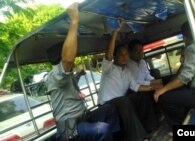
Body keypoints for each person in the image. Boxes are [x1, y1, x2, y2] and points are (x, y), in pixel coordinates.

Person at [45, 3, 119, 141]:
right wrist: (74, 21)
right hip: (70, 131)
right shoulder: (55, 76)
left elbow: (69, 84)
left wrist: (78, 74)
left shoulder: (66, 76)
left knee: (110, 109)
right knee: (102, 129)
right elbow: (67, 59)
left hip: (83, 119)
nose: (74, 57)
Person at [98, 19, 156, 141]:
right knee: (124, 100)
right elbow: (108, 56)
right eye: (121, 54)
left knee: (142, 95)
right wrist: (115, 32)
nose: (124, 57)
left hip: (121, 103)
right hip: (107, 105)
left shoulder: (127, 71)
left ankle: (150, 127)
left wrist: (154, 87)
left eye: (126, 54)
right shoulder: (109, 68)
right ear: (115, 56)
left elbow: (136, 87)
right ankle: (139, 138)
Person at [154, 21, 195, 127]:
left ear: (186, 35)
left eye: (183, 36)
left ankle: (178, 125)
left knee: (164, 97)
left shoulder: (192, 47)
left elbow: (185, 77)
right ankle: (185, 115)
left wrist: (163, 90)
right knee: (176, 91)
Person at [126, 39, 163, 133]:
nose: (140, 53)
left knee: (161, 86)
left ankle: (160, 115)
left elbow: (147, 75)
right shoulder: (127, 64)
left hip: (143, 86)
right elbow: (134, 83)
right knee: (144, 96)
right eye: (136, 51)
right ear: (130, 52)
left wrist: (154, 81)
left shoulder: (142, 62)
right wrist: (151, 85)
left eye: (141, 50)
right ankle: (149, 127)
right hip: (132, 90)